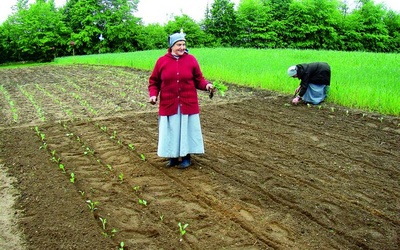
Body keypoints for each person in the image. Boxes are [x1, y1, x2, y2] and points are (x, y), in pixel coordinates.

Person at [148, 32, 214, 169]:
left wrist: (207, 85)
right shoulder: (162, 61)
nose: (182, 47)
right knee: (171, 130)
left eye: (184, 44)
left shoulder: (191, 60)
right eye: (179, 45)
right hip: (169, 103)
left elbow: (199, 79)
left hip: (187, 103)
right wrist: (153, 95)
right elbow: (154, 81)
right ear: (171, 46)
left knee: (186, 130)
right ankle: (172, 157)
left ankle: (186, 157)